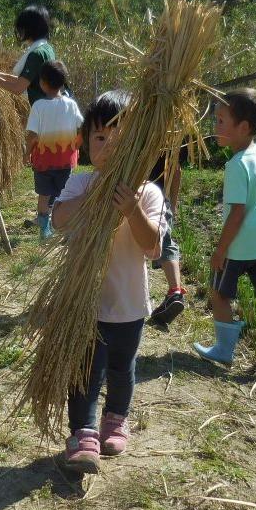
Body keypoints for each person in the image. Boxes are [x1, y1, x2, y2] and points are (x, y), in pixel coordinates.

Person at [51, 90, 167, 474]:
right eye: (101, 138)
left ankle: (116, 419)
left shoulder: (147, 192)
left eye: (120, 138)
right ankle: (82, 432)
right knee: (84, 367)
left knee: (122, 367)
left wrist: (131, 208)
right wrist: (95, 198)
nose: (109, 146)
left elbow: (152, 246)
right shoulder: (80, 184)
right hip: (85, 305)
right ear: (86, 143)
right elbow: (59, 220)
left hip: (129, 304)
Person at [193, 89, 256, 370]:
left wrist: (220, 251)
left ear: (244, 128)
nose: (215, 128)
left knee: (219, 294)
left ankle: (224, 350)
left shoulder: (236, 165)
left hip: (238, 248)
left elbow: (237, 213)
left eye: (221, 122)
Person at [24, 61, 82, 240]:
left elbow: (32, 135)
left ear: (42, 83)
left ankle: (44, 230)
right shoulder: (71, 105)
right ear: (63, 82)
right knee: (64, 195)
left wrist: (27, 153)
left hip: (43, 162)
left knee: (44, 195)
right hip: (65, 161)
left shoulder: (38, 106)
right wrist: (75, 147)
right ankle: (66, 230)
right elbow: (82, 129)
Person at [148, 145, 188, 327]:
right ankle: (175, 291)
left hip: (133, 195)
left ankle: (174, 293)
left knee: (163, 243)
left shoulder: (136, 133)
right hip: (160, 198)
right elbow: (176, 170)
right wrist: (172, 202)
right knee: (166, 242)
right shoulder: (168, 138)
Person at [0, 5, 56, 106]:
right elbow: (23, 80)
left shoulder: (36, 54)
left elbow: (18, 88)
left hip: (45, 112)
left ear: (30, 28)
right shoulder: (46, 48)